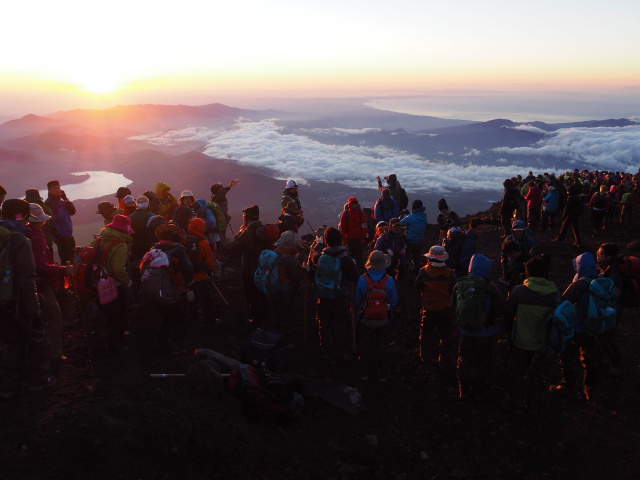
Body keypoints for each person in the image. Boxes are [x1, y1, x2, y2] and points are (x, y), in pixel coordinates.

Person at [0, 199, 54, 398]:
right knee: (37, 339)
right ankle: (38, 382)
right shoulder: (20, 240)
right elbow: (26, 277)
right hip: (18, 300)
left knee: (12, 342)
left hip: (2, 301)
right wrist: (34, 308)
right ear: (21, 217)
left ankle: (8, 386)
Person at [503, 256, 559, 413]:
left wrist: (508, 332)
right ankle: (534, 403)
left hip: (520, 340)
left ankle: (516, 401)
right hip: (542, 343)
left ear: (527, 272)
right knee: (536, 374)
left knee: (517, 371)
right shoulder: (554, 293)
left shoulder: (519, 291)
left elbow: (508, 312)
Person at [28, 203, 75, 362]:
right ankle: (53, 354)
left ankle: (33, 356)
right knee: (54, 318)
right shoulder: (38, 238)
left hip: (25, 286)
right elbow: (40, 266)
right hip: (41, 286)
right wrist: (62, 270)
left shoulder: (20, 235)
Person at [453, 254, 503, 400]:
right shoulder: (491, 288)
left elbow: (454, 306)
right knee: (484, 359)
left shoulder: (460, 285)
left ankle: (463, 386)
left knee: (464, 358)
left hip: (465, 331)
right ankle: (480, 387)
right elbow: (499, 309)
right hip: (486, 333)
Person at [560, 252, 603, 400]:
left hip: (578, 327)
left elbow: (563, 303)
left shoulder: (579, 285)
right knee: (590, 358)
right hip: (596, 327)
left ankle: (568, 385)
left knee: (567, 355)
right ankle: (590, 389)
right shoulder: (602, 280)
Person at [313, 227, 359, 361]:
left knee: (324, 323)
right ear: (340, 240)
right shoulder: (345, 259)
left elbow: (313, 258)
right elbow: (354, 277)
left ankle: (326, 351)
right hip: (339, 297)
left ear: (326, 241)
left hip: (323, 297)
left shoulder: (320, 257)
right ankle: (339, 352)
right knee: (339, 325)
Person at [150, 223, 194, 355]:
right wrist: (188, 283)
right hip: (176, 290)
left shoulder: (153, 250)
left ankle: (161, 343)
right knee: (181, 318)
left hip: (158, 291)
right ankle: (177, 347)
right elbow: (187, 269)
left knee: (166, 318)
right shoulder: (178, 250)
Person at [355, 250, 398, 382]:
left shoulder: (362, 279)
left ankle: (364, 372)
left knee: (365, 345)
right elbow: (394, 301)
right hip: (384, 320)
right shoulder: (389, 280)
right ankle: (383, 373)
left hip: (366, 320)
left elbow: (357, 300)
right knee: (381, 346)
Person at [93, 214, 134, 354]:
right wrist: (127, 281)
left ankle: (105, 338)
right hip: (115, 284)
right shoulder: (121, 245)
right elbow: (118, 270)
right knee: (120, 316)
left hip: (99, 282)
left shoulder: (100, 239)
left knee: (109, 315)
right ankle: (115, 345)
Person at [414, 245, 457, 378]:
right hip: (445, 309)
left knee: (426, 334)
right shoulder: (450, 274)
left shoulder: (423, 272)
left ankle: (425, 357)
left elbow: (417, 286)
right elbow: (454, 290)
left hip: (429, 309)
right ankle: (444, 360)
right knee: (445, 336)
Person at [227, 205, 269, 327]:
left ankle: (257, 321)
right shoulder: (263, 229)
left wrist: (239, 234)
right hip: (263, 268)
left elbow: (235, 247)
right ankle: (265, 316)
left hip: (250, 269)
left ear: (248, 218)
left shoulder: (248, 233)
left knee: (252, 295)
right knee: (261, 293)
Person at [596, 243, 624, 376]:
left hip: (612, 308)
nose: (597, 255)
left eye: (600, 254)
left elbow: (615, 293)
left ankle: (616, 365)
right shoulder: (609, 268)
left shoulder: (614, 272)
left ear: (609, 256)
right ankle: (606, 359)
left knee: (608, 335)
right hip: (611, 307)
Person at [186, 218, 215, 321]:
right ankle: (209, 318)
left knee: (192, 298)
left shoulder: (185, 240)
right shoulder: (203, 243)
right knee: (206, 297)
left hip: (188, 276)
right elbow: (209, 260)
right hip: (201, 276)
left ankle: (192, 316)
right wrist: (210, 270)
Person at [44, 180, 76, 264]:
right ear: (49, 190)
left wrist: (65, 199)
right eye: (55, 188)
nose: (58, 190)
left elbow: (72, 211)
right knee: (66, 260)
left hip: (68, 235)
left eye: (58, 187)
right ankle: (67, 276)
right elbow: (49, 223)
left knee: (72, 257)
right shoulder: (48, 204)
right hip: (61, 236)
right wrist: (57, 237)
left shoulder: (61, 201)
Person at [338, 196, 368, 272]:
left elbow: (364, 227)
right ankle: (351, 270)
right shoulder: (345, 214)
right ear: (349, 205)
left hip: (359, 238)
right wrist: (345, 240)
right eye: (352, 204)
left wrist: (363, 238)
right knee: (350, 255)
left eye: (355, 204)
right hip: (350, 238)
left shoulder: (361, 214)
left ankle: (360, 269)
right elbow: (343, 228)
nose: (354, 205)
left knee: (359, 256)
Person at [400, 199, 428, 271]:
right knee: (417, 259)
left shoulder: (410, 217)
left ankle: (406, 273)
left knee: (406, 258)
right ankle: (417, 274)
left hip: (409, 241)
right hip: (419, 241)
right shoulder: (424, 216)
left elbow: (400, 224)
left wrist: (402, 215)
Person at [555, 179, 583, 247]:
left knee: (564, 227)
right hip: (576, 214)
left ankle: (559, 239)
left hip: (570, 214)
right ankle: (578, 242)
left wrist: (564, 216)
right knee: (575, 227)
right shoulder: (577, 197)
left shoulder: (571, 198)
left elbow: (567, 208)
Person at [129, 196, 154, 263]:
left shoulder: (131, 216)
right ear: (148, 204)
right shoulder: (152, 216)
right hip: (149, 245)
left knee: (136, 264)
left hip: (135, 246)